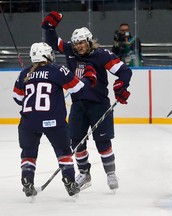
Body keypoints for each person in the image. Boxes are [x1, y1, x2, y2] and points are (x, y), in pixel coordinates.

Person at [41, 11, 132, 192]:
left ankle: (110, 173)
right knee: (75, 141)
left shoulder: (102, 55)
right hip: (78, 105)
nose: (78, 46)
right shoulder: (70, 51)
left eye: (81, 42)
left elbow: (124, 71)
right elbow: (54, 43)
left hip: (99, 104)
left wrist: (121, 86)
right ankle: (84, 173)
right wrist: (49, 28)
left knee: (103, 142)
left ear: (89, 42)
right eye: (76, 43)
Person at [12, 42, 96, 198]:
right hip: (53, 121)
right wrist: (88, 78)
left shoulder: (24, 73)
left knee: (28, 153)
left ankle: (27, 179)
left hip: (28, 122)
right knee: (64, 152)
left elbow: (17, 98)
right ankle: (70, 182)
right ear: (47, 55)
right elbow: (78, 88)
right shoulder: (58, 70)